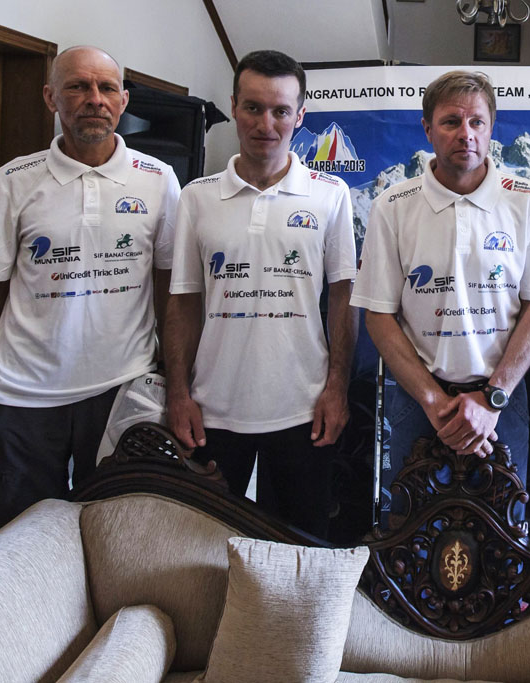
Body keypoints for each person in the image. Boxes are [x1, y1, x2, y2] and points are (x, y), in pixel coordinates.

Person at [0, 45, 179, 529]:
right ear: (51, 97)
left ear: (123, 101)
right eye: (77, 86)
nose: (94, 99)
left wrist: (173, 373)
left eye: (106, 88)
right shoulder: (12, 181)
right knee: (22, 542)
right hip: (23, 395)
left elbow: (168, 284)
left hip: (121, 386)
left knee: (116, 533)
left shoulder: (159, 180)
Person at [164, 50, 356, 538]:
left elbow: (342, 298)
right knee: (203, 545)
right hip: (213, 409)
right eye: (252, 107)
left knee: (299, 546)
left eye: (280, 111)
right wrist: (179, 393)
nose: (265, 124)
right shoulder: (196, 197)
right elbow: (183, 301)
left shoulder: (330, 194)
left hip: (303, 407)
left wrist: (336, 386)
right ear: (233, 106)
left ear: (301, 115)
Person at [352, 70, 530, 497]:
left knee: (506, 536)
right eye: (451, 122)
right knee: (411, 536)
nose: (465, 134)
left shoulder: (529, 200)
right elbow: (378, 314)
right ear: (427, 129)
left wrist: (492, 399)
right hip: (415, 401)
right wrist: (432, 401)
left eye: (476, 122)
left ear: (491, 128)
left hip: (504, 400)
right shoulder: (392, 206)